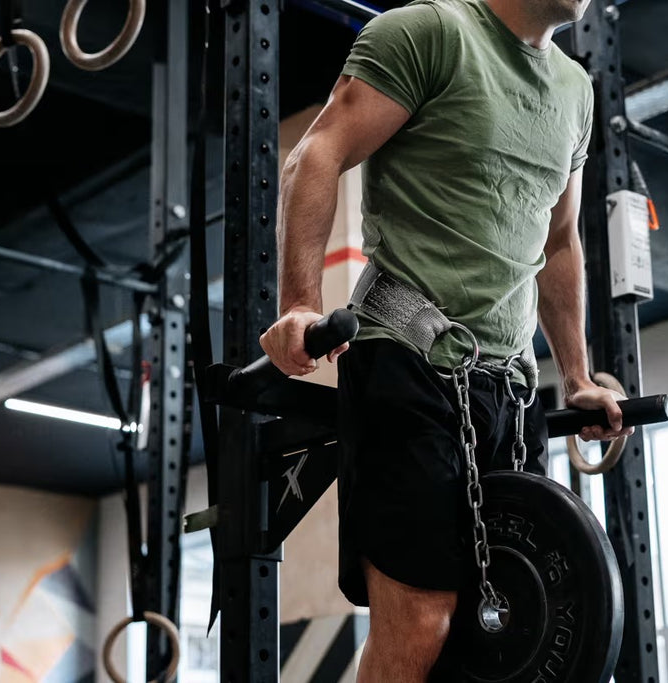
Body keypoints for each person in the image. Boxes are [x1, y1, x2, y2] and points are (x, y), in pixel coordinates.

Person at [259, 0, 631, 679]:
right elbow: (317, 154)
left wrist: (576, 374)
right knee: (422, 621)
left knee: (506, 629)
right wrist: (299, 305)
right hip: (410, 361)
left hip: (510, 391)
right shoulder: (431, 33)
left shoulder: (576, 91)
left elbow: (558, 240)